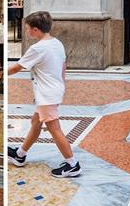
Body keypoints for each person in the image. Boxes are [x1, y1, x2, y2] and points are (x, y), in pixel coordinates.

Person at [7, 11, 81, 177]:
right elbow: (63, 68)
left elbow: (17, 67)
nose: (26, 31)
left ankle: (72, 164)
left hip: (47, 94)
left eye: (27, 29)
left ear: (35, 30)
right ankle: (20, 155)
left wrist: (1, 73)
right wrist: (59, 87)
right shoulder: (57, 43)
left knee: (54, 128)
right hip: (53, 90)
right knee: (36, 122)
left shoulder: (37, 48)